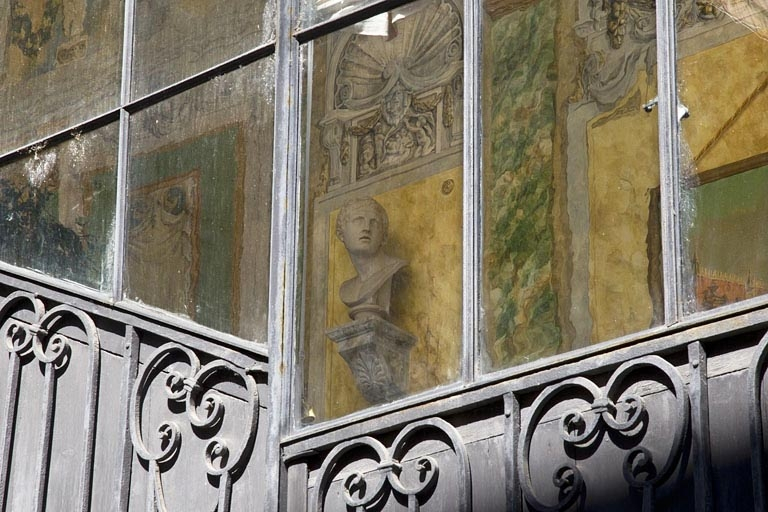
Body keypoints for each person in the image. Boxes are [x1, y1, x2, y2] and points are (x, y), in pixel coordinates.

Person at [335, 196, 407, 321]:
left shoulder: (393, 270)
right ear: (341, 234)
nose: (366, 228)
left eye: (374, 222)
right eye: (358, 220)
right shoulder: (347, 289)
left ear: (384, 237)